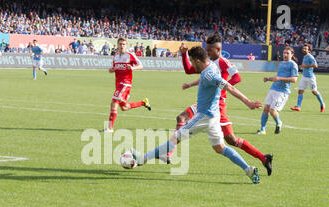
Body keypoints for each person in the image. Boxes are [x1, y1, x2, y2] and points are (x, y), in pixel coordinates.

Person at [130, 46, 262, 184]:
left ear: (198, 61)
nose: (192, 65)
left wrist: (248, 102)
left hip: (205, 115)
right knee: (220, 148)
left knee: (175, 138)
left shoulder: (209, 74)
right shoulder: (210, 66)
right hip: (213, 115)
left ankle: (142, 158)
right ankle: (249, 170)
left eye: (192, 61)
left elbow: (229, 86)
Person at [175, 34, 273, 175]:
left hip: (216, 105)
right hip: (208, 103)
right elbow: (189, 70)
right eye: (206, 50)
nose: (207, 53)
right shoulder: (206, 62)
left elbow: (237, 78)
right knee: (182, 118)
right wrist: (184, 55)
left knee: (230, 140)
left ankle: (263, 158)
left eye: (209, 50)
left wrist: (220, 88)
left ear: (218, 49)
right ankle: (264, 158)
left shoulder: (223, 62)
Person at [100, 38, 151, 133]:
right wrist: (111, 70)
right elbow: (114, 68)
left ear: (126, 45)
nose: (122, 46)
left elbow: (141, 66)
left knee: (114, 102)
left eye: (124, 44)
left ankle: (110, 128)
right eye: (120, 44)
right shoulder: (115, 56)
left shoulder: (130, 55)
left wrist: (133, 68)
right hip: (118, 84)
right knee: (124, 107)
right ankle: (144, 102)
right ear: (117, 45)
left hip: (125, 83)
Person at [256, 46, 298, 135]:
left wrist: (279, 78)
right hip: (273, 88)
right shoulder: (282, 63)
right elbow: (277, 77)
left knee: (272, 110)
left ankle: (279, 122)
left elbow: (294, 79)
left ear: (292, 54)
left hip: (282, 91)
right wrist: (268, 79)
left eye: (287, 53)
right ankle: (262, 129)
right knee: (266, 108)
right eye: (284, 53)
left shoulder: (293, 65)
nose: (285, 55)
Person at [290, 43, 325, 112]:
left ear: (309, 51)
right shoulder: (305, 56)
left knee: (314, 92)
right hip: (304, 76)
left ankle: (322, 104)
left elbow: (315, 65)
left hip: (310, 77)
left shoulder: (310, 56)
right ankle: (298, 106)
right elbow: (305, 65)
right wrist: (302, 66)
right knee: (300, 91)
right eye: (303, 48)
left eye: (305, 49)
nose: (304, 49)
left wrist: (305, 66)